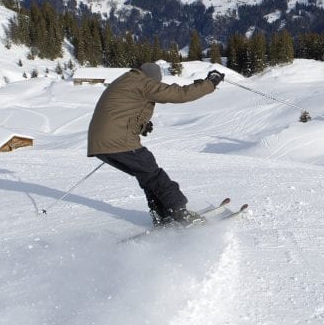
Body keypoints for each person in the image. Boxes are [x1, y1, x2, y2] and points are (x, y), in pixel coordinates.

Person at [87, 62, 224, 226]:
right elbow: (180, 94)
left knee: (147, 176)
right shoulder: (144, 83)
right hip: (118, 141)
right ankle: (180, 212)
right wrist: (210, 83)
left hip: (101, 143)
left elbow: (121, 108)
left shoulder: (126, 80)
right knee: (154, 175)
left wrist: (141, 125)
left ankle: (162, 215)